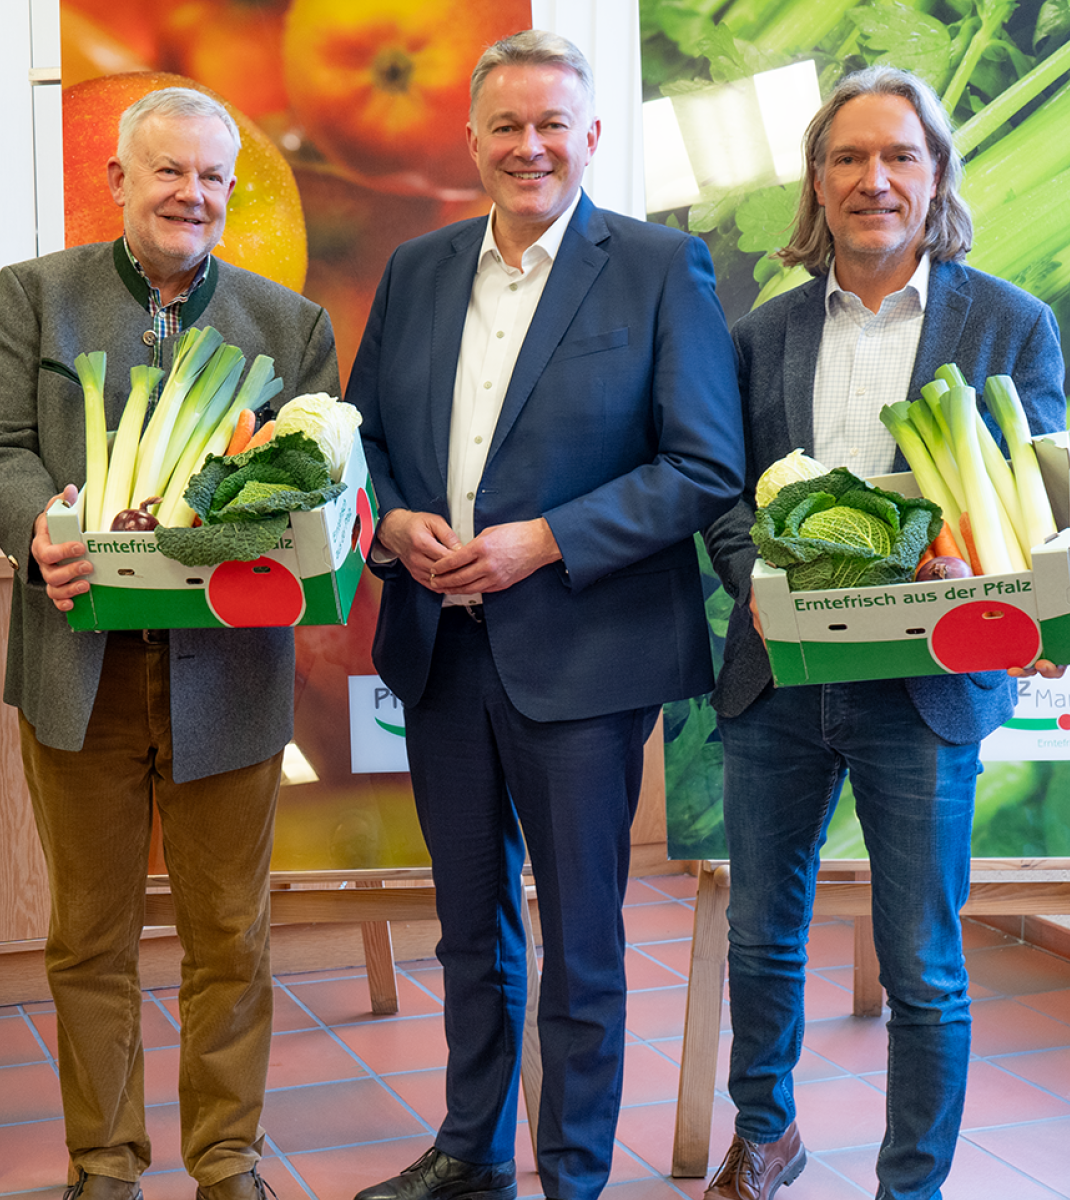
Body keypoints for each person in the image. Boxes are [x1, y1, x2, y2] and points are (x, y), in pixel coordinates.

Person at [701, 66, 1070, 1200]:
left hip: (924, 695)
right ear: (817, 186)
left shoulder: (1011, 323)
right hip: (778, 678)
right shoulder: (759, 332)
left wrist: (1040, 599)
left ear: (936, 181)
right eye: (847, 159)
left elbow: (1039, 500)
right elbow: (724, 493)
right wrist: (755, 580)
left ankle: (911, 1182)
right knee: (760, 939)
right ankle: (765, 1134)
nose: (873, 179)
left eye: (899, 157)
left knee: (922, 965)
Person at [349, 30, 744, 1200]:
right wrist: (390, 523)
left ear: (591, 137)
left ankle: (570, 1174)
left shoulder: (661, 267)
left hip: (584, 653)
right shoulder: (419, 267)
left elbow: (703, 464)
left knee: (579, 943)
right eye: (506, 126)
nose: (530, 147)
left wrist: (552, 538)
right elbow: (360, 436)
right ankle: (471, 1151)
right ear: (470, 139)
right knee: (469, 929)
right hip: (438, 650)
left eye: (551, 125)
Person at [0, 87, 336, 1200]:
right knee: (88, 937)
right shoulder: (38, 298)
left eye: (212, 176)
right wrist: (40, 527)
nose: (192, 194)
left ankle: (227, 1164)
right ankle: (104, 1165)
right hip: (80, 666)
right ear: (116, 181)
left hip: (229, 675)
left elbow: (322, 487)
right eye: (167, 172)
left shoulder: (287, 326)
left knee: (232, 935)